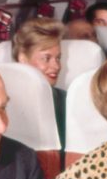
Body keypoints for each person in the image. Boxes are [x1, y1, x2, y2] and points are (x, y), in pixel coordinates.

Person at [12, 17, 66, 147]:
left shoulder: (66, 101)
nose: (56, 66)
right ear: (23, 59)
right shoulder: (4, 101)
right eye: (46, 58)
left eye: (58, 58)